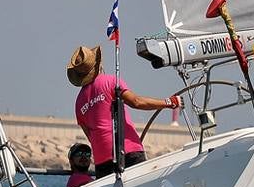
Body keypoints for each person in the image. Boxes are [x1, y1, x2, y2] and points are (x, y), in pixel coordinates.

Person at [68, 45, 181, 176]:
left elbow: (91, 136)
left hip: (102, 160)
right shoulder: (110, 82)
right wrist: (169, 102)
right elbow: (137, 102)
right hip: (127, 151)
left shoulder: (78, 102)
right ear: (98, 64)